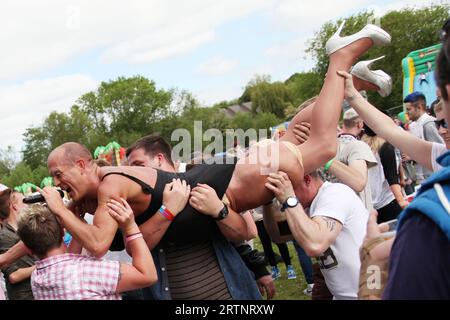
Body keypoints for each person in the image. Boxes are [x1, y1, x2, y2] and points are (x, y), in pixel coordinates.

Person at [1, 21, 391, 293]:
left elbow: (100, 244)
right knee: (297, 141)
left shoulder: (111, 184)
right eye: (53, 180)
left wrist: (62, 208)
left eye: (59, 174)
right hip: (232, 175)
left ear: (84, 164)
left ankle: (339, 63)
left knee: (321, 147)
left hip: (235, 182)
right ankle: (352, 81)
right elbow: (66, 243)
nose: (56, 184)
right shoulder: (101, 189)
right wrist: (61, 209)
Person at [338, 19, 450, 299]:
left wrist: (372, 267)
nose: (440, 121)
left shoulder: (432, 217)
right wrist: (352, 95)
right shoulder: (442, 160)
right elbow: (389, 130)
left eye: (440, 101)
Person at [126, 134, 268, 300]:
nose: (135, 173)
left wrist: (219, 209)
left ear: (159, 159)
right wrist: (167, 211)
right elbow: (135, 248)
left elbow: (243, 234)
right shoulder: (138, 205)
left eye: (138, 165)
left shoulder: (204, 182)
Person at [17, 199, 157, 300]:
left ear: (29, 249)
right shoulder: (87, 270)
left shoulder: (36, 278)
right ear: (62, 230)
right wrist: (130, 226)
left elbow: (63, 264)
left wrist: (78, 223)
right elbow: (147, 275)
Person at [263, 171, 369, 300]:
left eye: (289, 187)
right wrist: (267, 203)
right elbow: (278, 236)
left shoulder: (334, 194)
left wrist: (289, 199)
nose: (282, 193)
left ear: (307, 180)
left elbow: (315, 245)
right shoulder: (306, 207)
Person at [361, 123, 406, 222]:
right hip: (388, 202)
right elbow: (391, 177)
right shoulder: (385, 147)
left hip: (370, 205)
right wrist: (401, 201)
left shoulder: (362, 147)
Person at [0, 189, 35, 300]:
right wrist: (43, 266)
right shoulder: (5, 235)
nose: (29, 205)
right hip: (24, 295)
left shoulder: (22, 231)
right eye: (25, 201)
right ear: (14, 206)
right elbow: (14, 276)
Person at [404, 91, 444, 183]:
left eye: (409, 109)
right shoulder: (414, 125)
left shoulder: (428, 124)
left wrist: (413, 156)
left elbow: (440, 152)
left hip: (436, 177)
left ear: (419, 107)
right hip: (424, 177)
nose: (406, 112)